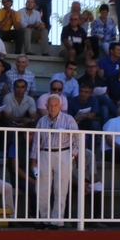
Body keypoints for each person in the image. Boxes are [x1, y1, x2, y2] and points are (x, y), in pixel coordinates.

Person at [30, 93, 80, 228]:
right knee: (42, 188)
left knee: (61, 188)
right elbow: (36, 142)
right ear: (46, 106)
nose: (53, 108)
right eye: (50, 105)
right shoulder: (42, 121)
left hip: (63, 153)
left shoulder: (69, 120)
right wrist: (33, 160)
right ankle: (44, 219)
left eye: (55, 105)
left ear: (61, 106)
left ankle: (56, 220)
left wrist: (72, 156)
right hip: (45, 153)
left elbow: (78, 140)